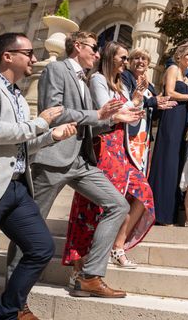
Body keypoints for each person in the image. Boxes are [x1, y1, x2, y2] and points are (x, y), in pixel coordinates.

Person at [8, 31, 140, 299]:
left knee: (118, 204)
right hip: (53, 158)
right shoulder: (56, 69)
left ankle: (90, 276)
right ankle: (13, 296)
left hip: (81, 160)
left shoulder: (86, 79)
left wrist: (117, 118)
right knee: (31, 225)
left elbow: (93, 120)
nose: (97, 53)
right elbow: (54, 112)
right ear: (77, 47)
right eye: (94, 48)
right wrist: (97, 114)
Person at [0, 33, 76, 320]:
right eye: (29, 53)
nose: (34, 59)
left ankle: (7, 314)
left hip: (16, 188)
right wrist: (40, 123)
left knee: (40, 248)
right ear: (8, 56)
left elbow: (20, 142)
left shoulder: (18, 96)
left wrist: (51, 135)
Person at [62, 41, 154, 275]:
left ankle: (117, 246)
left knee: (143, 192)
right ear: (110, 58)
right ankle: (79, 262)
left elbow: (127, 113)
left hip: (120, 148)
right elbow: (107, 111)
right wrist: (125, 112)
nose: (127, 62)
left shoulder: (121, 84)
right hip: (103, 145)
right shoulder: (98, 79)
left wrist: (135, 99)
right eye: (123, 58)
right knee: (93, 205)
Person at [149, 43, 188, 225]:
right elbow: (169, 92)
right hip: (171, 117)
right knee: (167, 160)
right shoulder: (172, 68)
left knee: (176, 162)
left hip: (183, 118)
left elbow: (187, 101)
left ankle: (169, 213)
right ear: (180, 55)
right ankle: (157, 212)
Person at [121, 48, 176, 176]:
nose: (140, 61)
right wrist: (154, 101)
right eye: (136, 58)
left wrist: (160, 106)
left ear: (148, 63)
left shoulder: (150, 86)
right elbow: (130, 99)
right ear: (130, 61)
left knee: (141, 169)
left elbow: (153, 109)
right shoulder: (125, 76)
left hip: (144, 133)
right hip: (128, 131)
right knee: (128, 169)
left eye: (144, 59)